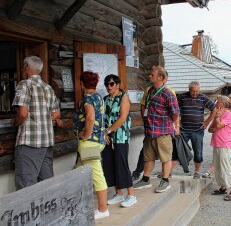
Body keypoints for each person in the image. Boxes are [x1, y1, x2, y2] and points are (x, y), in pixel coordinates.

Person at [56, 71, 109, 219]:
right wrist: (62, 123)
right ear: (96, 83)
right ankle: (74, 203)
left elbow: (90, 118)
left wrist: (86, 134)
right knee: (78, 172)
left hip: (90, 143)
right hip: (99, 141)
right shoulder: (98, 97)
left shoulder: (87, 99)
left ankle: (103, 209)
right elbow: (82, 118)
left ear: (81, 84)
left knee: (97, 175)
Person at [11, 56, 60, 190]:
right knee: (46, 182)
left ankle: (27, 211)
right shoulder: (48, 87)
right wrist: (43, 119)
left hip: (30, 142)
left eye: (23, 66)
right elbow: (56, 114)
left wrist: (15, 122)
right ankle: (49, 210)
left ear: (26, 67)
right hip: (47, 141)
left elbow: (22, 113)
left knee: (26, 184)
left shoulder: (24, 84)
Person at [133, 66, 179, 193]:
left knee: (166, 157)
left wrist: (172, 125)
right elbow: (144, 107)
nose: (149, 76)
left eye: (152, 74)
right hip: (149, 131)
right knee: (148, 157)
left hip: (162, 132)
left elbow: (175, 113)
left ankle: (165, 181)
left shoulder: (168, 93)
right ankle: (145, 180)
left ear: (161, 77)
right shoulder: (150, 91)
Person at [101, 74, 137, 207]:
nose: (108, 87)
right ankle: (119, 193)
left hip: (120, 136)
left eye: (111, 84)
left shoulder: (124, 98)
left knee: (121, 164)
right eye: (106, 84)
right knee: (110, 164)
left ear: (117, 85)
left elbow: (122, 118)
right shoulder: (105, 99)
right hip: (107, 137)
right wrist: (104, 134)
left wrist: (108, 131)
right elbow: (102, 118)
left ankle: (131, 195)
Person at [172, 81, 216, 178]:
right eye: (193, 92)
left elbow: (214, 109)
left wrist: (207, 122)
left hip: (198, 130)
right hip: (184, 130)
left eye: (197, 91)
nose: (195, 93)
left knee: (198, 151)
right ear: (189, 90)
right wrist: (177, 125)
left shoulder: (203, 97)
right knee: (178, 150)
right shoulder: (182, 97)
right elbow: (175, 110)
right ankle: (168, 172)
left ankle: (197, 172)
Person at [208, 96, 231, 201]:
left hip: (224, 143)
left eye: (218, 101)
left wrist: (217, 118)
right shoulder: (219, 113)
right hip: (216, 142)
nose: (216, 103)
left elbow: (218, 125)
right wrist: (217, 118)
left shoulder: (229, 114)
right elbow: (210, 129)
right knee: (218, 166)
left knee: (226, 167)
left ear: (223, 104)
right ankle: (223, 187)